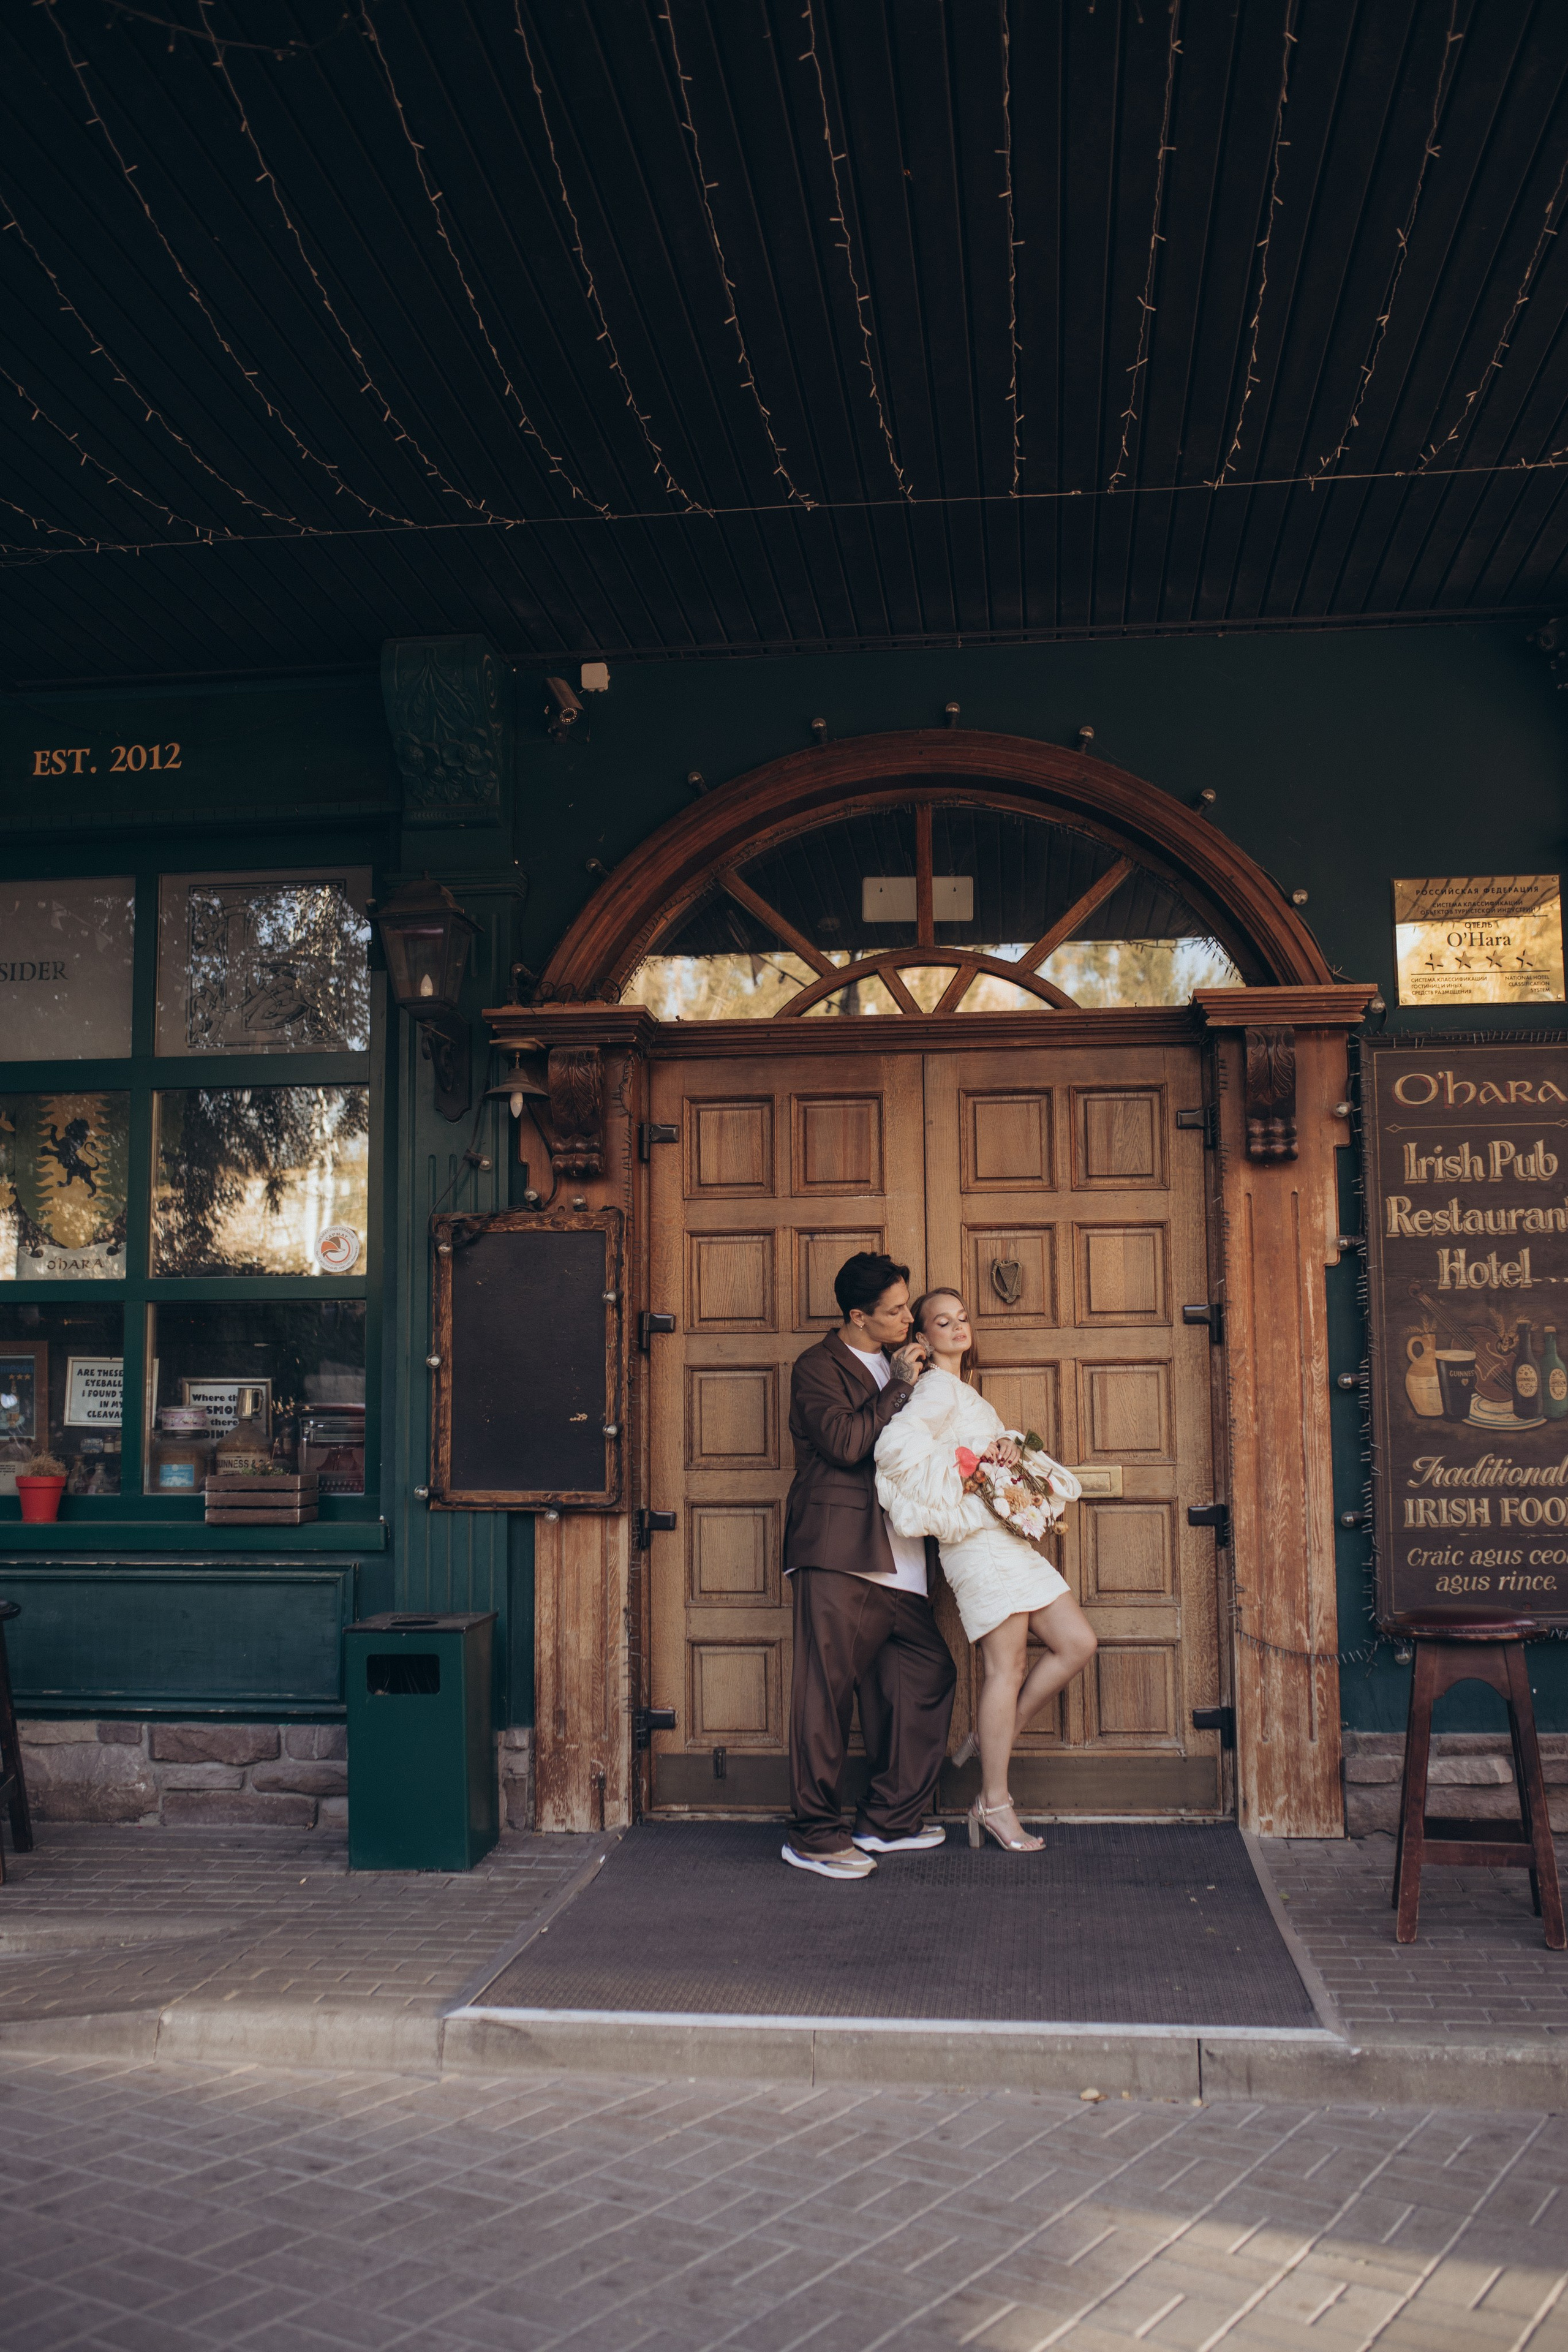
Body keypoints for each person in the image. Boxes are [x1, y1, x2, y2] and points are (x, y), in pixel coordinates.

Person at [874, 1289, 1096, 1854]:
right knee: (1009, 1666)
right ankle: (994, 1803)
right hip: (975, 1545)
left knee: (1076, 1642)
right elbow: (896, 1449)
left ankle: (992, 1735)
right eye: (941, 1322)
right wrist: (968, 1483)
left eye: (962, 1318)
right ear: (922, 1338)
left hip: (1006, 1541)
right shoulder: (933, 1388)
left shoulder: (959, 1388)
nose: (957, 1328)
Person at [780, 1252, 958, 1880]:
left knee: (925, 1676)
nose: (908, 1318)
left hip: (902, 1559)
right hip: (839, 1555)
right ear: (857, 1316)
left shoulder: (902, 1363)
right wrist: (898, 1387)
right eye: (895, 1311)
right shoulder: (816, 1367)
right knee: (824, 1699)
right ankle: (813, 1834)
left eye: (907, 1305)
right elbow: (847, 1444)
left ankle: (887, 1820)